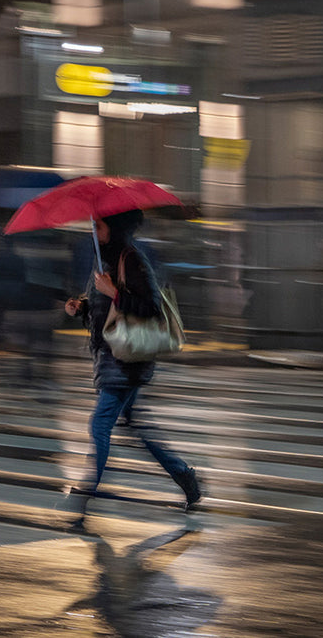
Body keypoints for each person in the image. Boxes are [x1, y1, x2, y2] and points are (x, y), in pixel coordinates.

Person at [64, 210, 201, 527]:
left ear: (114, 228)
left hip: (126, 362)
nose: (93, 230)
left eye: (98, 225)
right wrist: (81, 307)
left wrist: (114, 293)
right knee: (138, 428)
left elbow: (150, 306)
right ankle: (186, 478)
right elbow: (103, 310)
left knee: (100, 424)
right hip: (111, 358)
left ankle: (83, 495)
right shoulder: (104, 262)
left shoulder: (132, 259)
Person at [0, 233, 66, 391]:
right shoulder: (47, 251)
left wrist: (1, 308)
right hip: (42, 308)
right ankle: (43, 377)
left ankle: (25, 376)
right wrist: (60, 298)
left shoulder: (7, 255)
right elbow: (56, 277)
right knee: (43, 344)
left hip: (16, 308)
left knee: (23, 345)